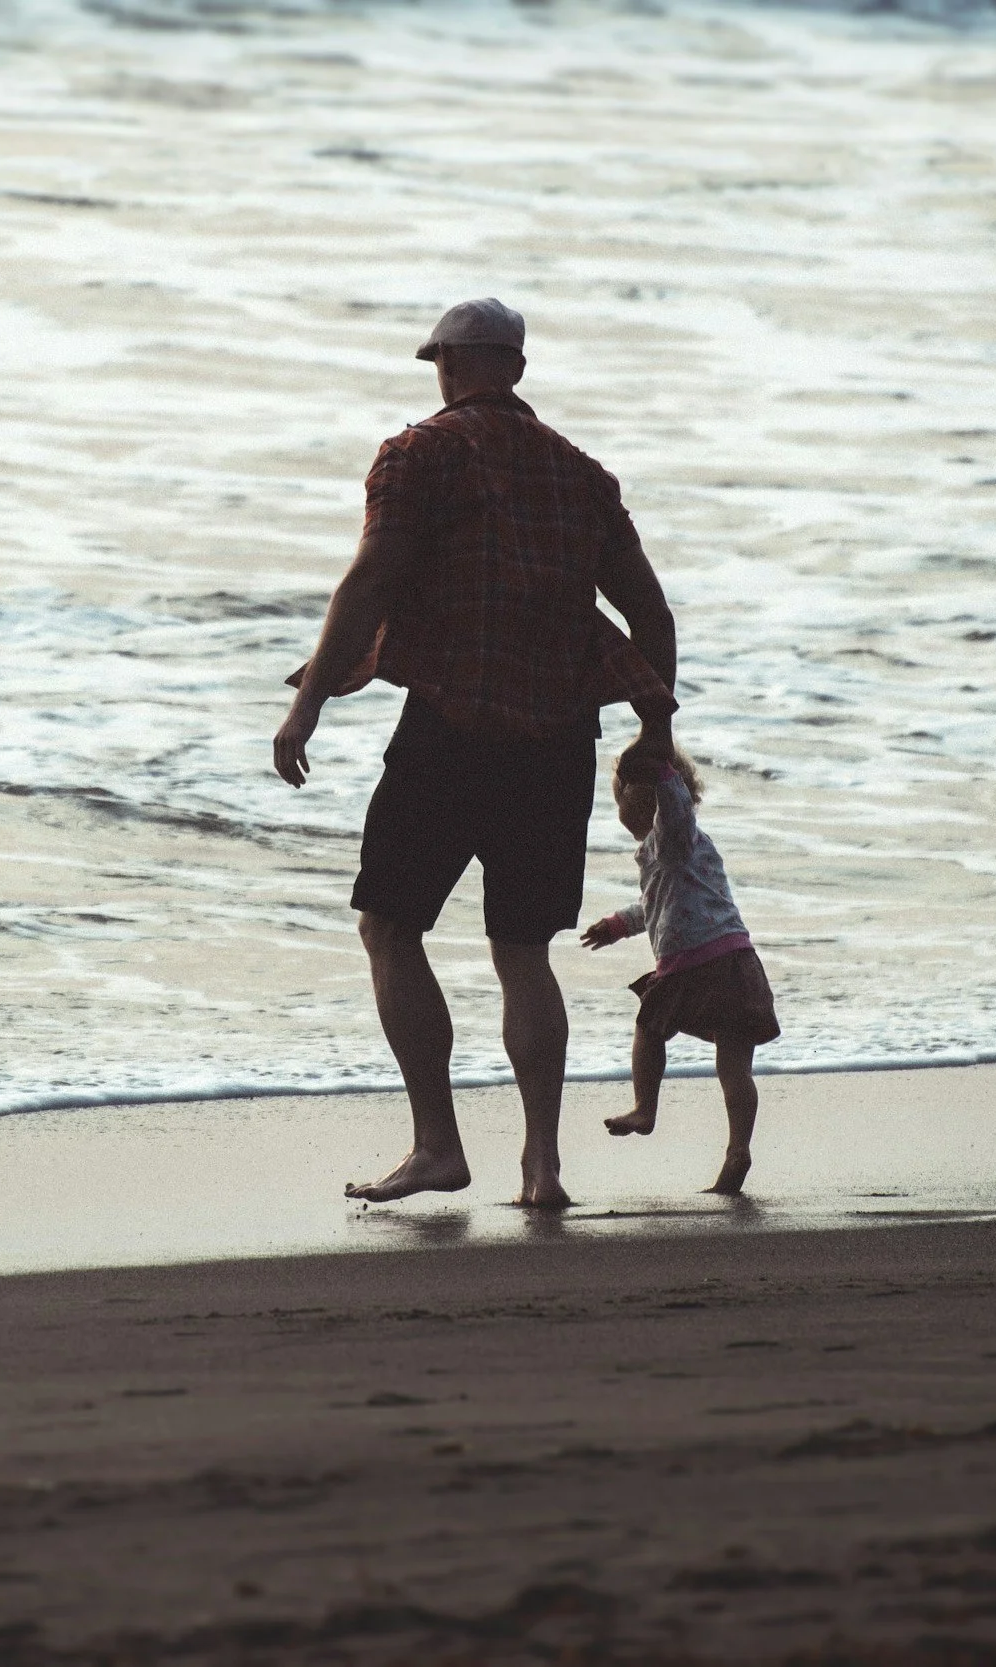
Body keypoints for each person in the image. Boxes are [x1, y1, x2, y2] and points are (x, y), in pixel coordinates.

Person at [273, 298, 679, 1208]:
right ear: (518, 369)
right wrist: (654, 734)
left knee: (389, 926)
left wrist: (309, 702)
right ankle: (542, 1166)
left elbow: (371, 578)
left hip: (450, 728)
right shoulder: (582, 474)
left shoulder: (416, 454)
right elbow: (650, 614)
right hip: (558, 740)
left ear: (447, 365)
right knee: (523, 950)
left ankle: (437, 1146)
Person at [579, 744, 781, 1196]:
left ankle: (645, 1107)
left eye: (621, 796)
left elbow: (673, 813)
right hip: (734, 962)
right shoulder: (672, 852)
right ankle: (738, 1151)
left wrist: (663, 772)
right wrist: (619, 925)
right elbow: (656, 905)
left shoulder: (673, 837)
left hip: (695, 967)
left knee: (649, 1029)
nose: (618, 806)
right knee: (734, 1067)